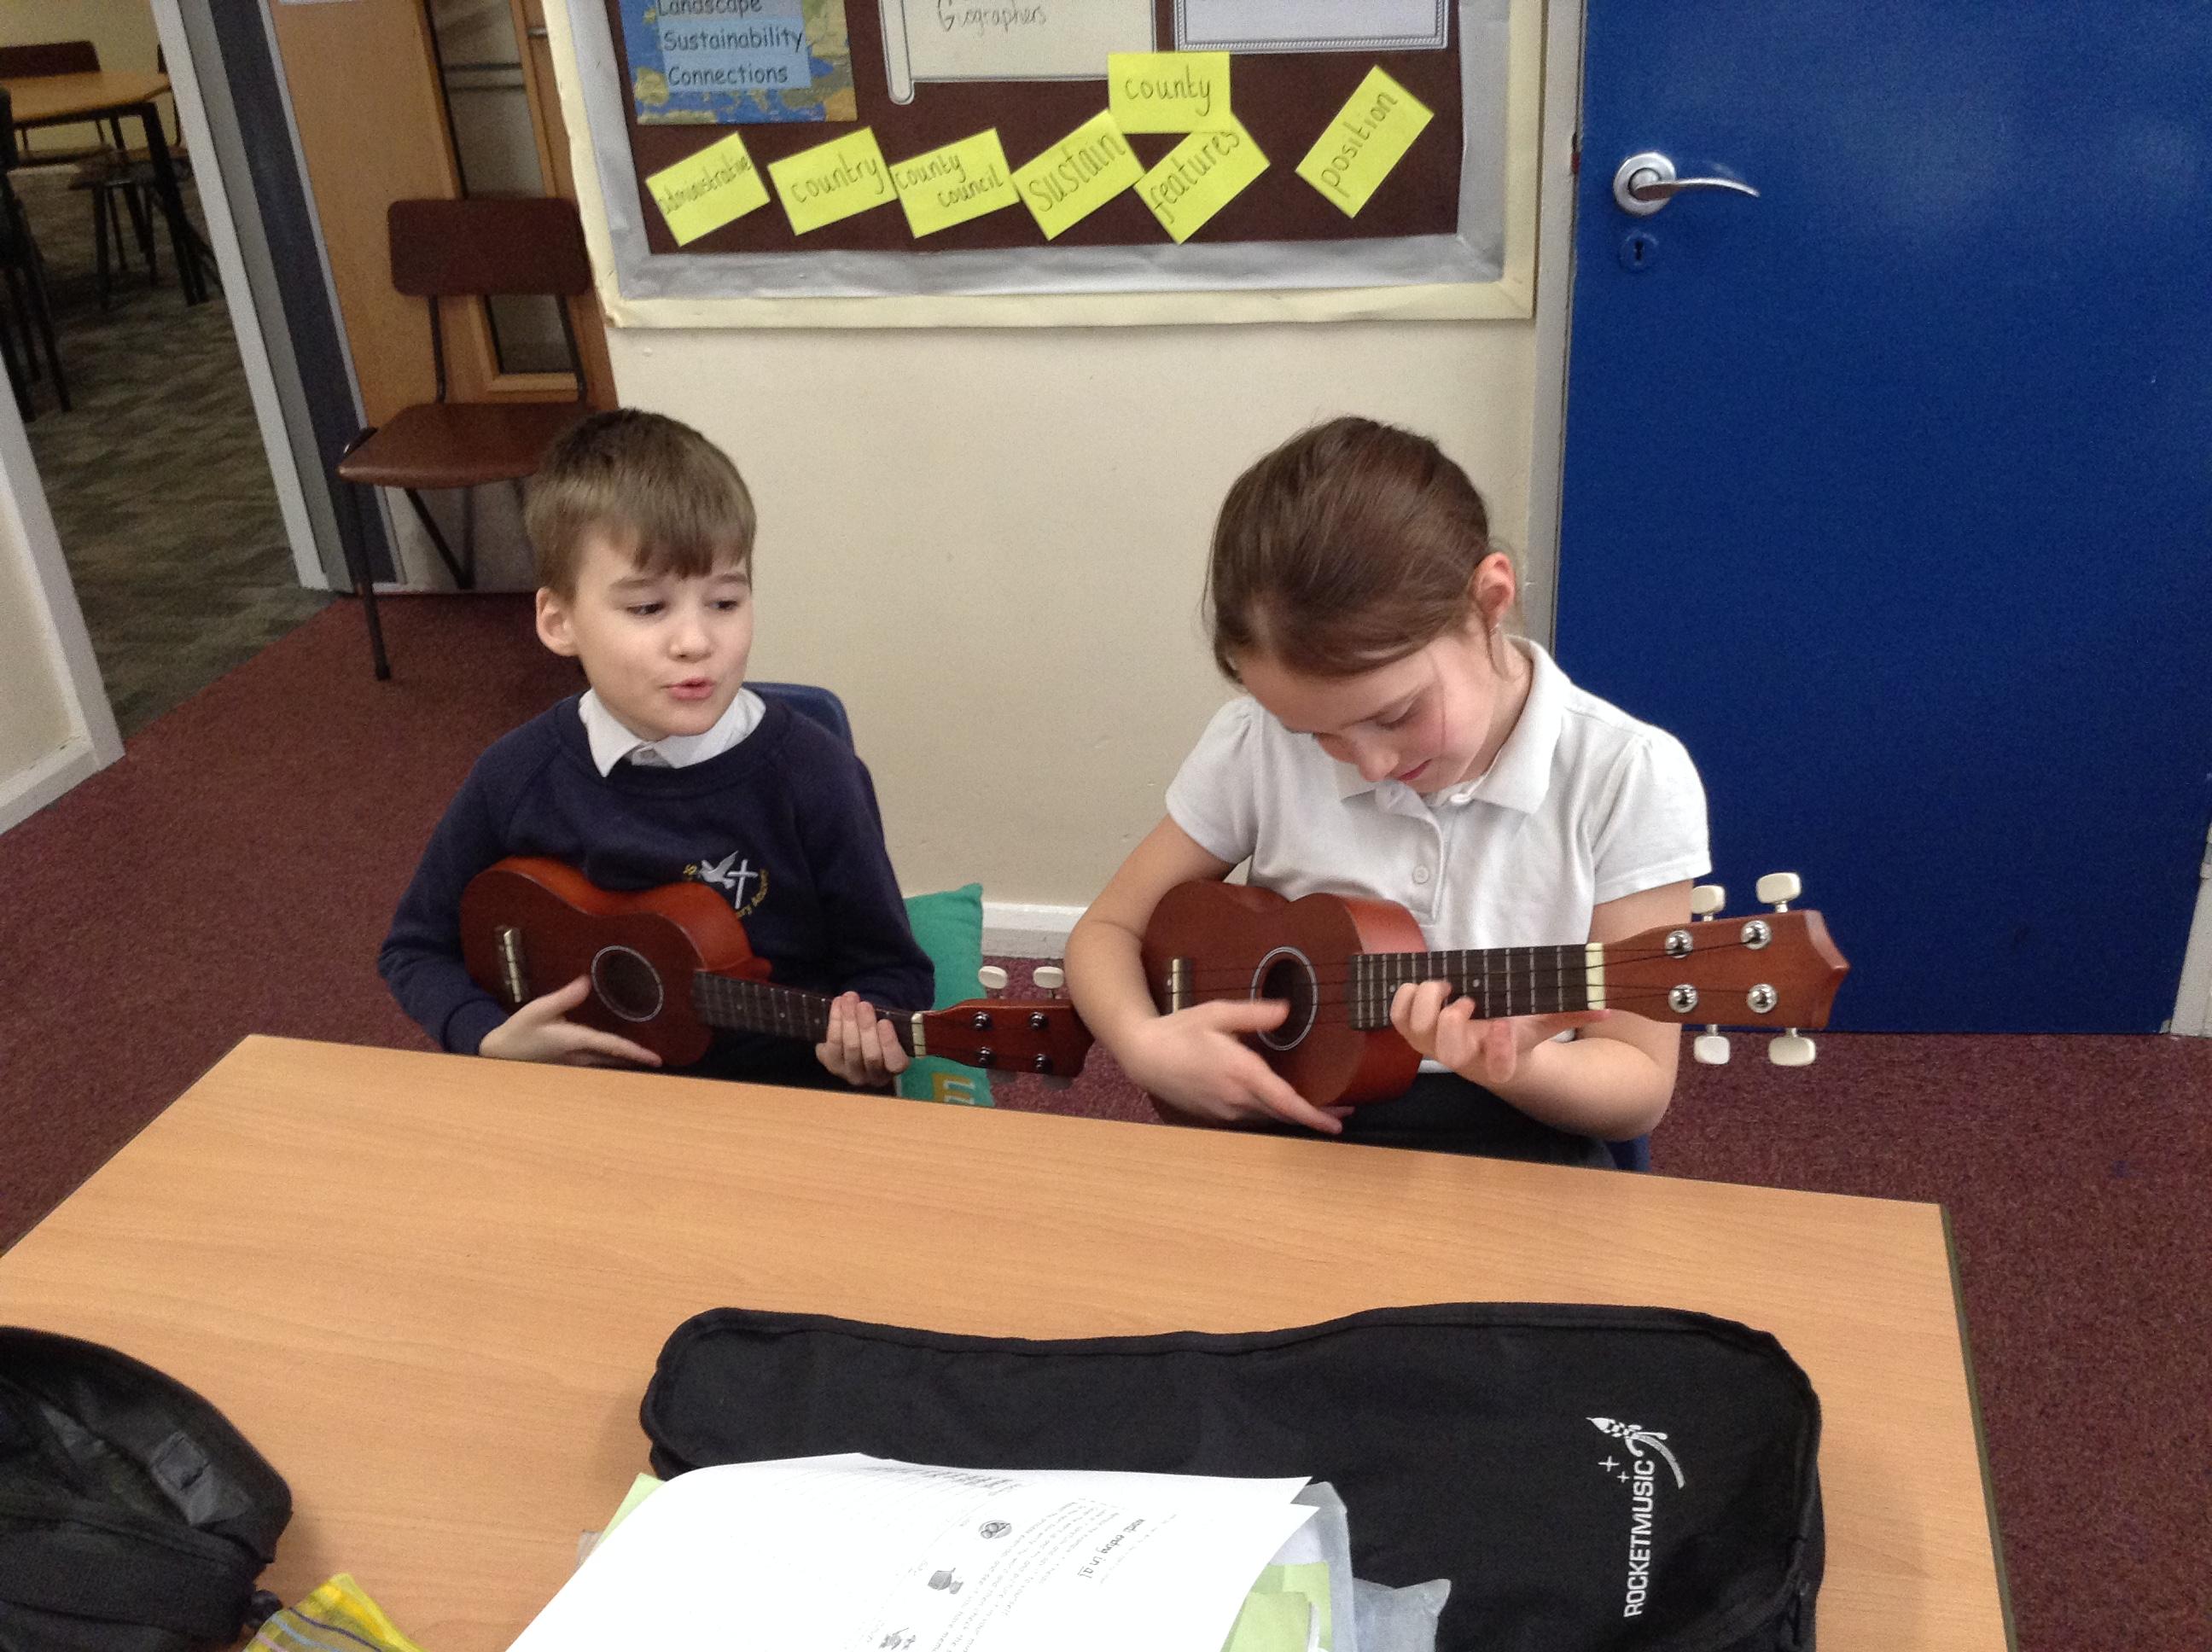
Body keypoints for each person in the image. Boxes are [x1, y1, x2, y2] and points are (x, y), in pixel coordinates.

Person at [1064, 416, 1709, 1166]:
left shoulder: (1627, 775)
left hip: (1517, 1135)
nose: (1368, 764)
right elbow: (1108, 930)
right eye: (1316, 733)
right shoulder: (1256, 743)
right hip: (1290, 1119)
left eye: (1397, 714)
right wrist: (1144, 1046)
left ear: (1490, 599)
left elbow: (1637, 1085)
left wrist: (1511, 1065)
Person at [380, 409, 932, 1090]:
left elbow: (893, 972)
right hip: (583, 1092)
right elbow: (415, 947)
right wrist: (487, 1036)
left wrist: (867, 1040)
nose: (696, 642)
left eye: (724, 602)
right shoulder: (515, 775)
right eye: (648, 608)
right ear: (558, 621)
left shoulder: (816, 775)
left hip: (777, 1099)